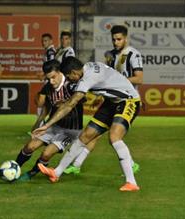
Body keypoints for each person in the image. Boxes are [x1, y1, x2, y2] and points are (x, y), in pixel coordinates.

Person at [34, 57, 141, 192]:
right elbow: (109, 80)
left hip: (128, 100)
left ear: (74, 72)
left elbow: (70, 104)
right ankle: (57, 172)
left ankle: (131, 182)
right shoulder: (89, 66)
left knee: (114, 136)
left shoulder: (87, 79)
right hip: (111, 102)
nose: (69, 79)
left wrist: (47, 124)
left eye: (69, 76)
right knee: (85, 136)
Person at [64, 24, 143, 175]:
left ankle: (77, 164)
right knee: (94, 133)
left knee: (104, 134)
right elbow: (105, 79)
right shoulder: (111, 55)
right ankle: (77, 164)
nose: (115, 42)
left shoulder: (134, 54)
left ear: (126, 39)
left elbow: (139, 78)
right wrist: (100, 97)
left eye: (119, 39)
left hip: (126, 98)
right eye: (113, 39)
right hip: (112, 99)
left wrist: (121, 84)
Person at [15, 59, 97, 181]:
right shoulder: (48, 88)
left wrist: (65, 103)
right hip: (53, 126)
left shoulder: (72, 85)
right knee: (29, 146)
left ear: (60, 73)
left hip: (71, 130)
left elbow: (81, 99)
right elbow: (46, 109)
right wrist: (37, 125)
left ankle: (31, 174)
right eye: (48, 79)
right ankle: (15, 168)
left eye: (53, 77)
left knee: (46, 154)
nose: (51, 81)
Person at [33, 33, 57, 130]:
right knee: (45, 105)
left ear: (51, 41)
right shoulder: (49, 51)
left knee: (41, 103)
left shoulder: (50, 52)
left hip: (49, 82)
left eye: (46, 40)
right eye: (42, 41)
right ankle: (41, 127)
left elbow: (51, 66)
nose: (44, 43)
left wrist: (43, 76)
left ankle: (40, 127)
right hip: (49, 80)